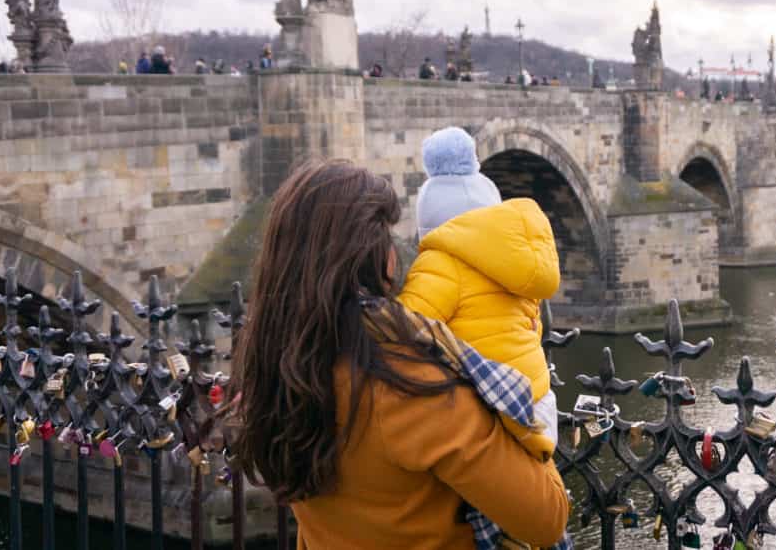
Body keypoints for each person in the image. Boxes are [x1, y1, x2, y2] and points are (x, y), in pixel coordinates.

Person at [229, 160, 569, 549]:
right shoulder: (409, 385)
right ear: (376, 257)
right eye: (387, 237)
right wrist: (531, 385)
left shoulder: (278, 363)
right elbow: (546, 517)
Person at [398, 127, 568, 549]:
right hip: (538, 399)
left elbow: (407, 328)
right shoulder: (516, 260)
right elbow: (531, 324)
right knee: (532, 500)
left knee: (484, 505)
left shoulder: (440, 264)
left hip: (495, 405)